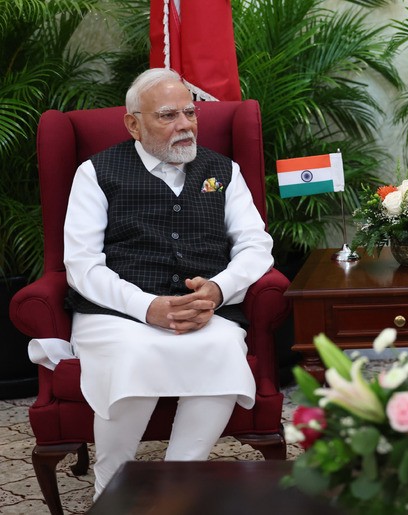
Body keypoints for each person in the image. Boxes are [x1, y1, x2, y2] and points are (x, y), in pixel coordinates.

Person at [63, 68, 274, 498]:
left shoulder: (223, 170)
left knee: (222, 347)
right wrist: (147, 307)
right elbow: (81, 263)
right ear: (133, 124)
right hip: (116, 311)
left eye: (190, 113)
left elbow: (256, 245)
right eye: (167, 115)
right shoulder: (95, 172)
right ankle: (111, 490)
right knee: (133, 352)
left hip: (202, 309)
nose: (184, 125)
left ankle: (177, 484)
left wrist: (219, 289)